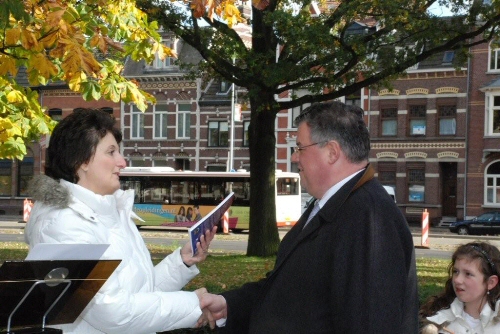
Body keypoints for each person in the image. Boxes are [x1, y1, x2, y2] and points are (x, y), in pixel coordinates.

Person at [199, 100, 419, 332]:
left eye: (300, 148)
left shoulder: (370, 219)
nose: (294, 158)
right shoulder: (335, 205)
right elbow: (289, 289)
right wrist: (229, 305)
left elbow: (370, 323)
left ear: (332, 152)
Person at [24, 109, 217, 334]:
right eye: (111, 152)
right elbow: (112, 312)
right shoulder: (63, 223)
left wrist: (181, 262)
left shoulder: (113, 212)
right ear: (82, 161)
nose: (123, 162)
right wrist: (194, 304)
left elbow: (140, 294)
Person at [420, 242, 500, 334]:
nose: (457, 280)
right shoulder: (438, 322)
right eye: (456, 271)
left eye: (468, 274)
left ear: (491, 282)